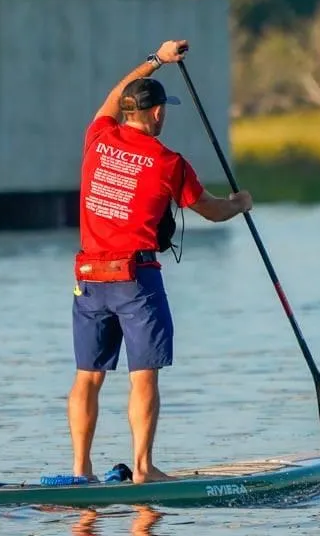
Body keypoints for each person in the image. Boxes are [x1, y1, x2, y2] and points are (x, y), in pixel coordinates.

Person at [68, 39, 253, 484]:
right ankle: (144, 470)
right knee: (143, 376)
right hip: (136, 280)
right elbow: (207, 208)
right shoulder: (169, 162)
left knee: (88, 377)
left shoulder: (98, 137)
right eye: (162, 109)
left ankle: (80, 471)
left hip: (89, 277)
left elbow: (114, 97)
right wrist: (240, 204)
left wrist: (156, 59)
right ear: (155, 114)